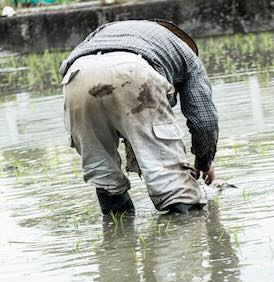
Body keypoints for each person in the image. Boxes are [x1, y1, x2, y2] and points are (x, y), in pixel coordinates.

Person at [59, 20, 218, 214]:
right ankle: (183, 233)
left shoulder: (111, 30)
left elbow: (69, 68)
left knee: (105, 176)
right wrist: (204, 161)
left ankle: (118, 236)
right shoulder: (187, 55)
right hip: (134, 71)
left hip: (76, 76)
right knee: (174, 188)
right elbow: (204, 120)